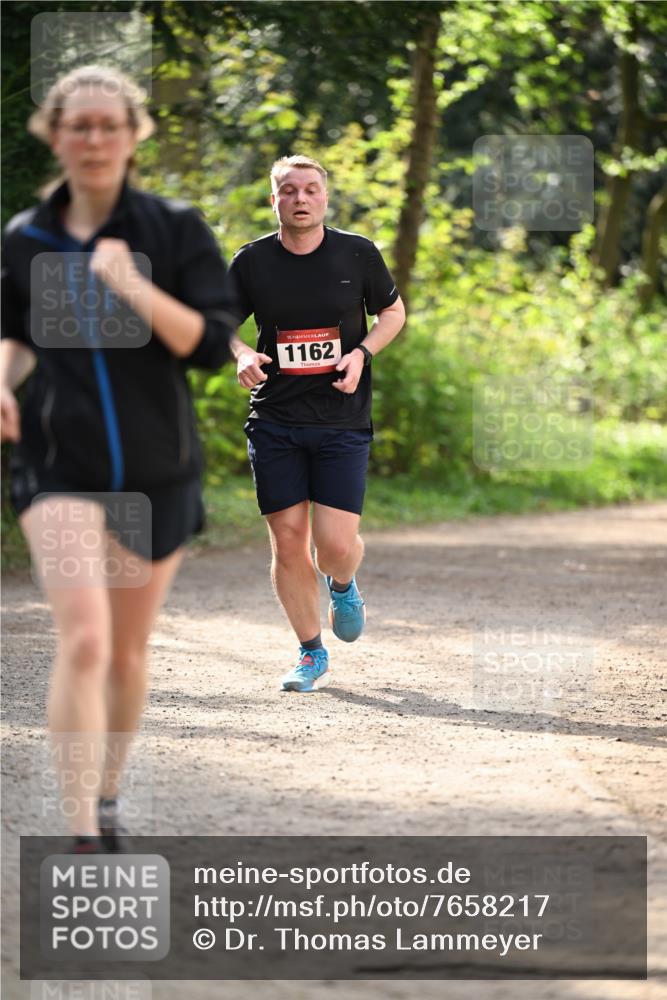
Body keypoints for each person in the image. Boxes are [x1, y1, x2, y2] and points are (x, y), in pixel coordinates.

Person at [0, 66, 234, 852]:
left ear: (135, 135)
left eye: (109, 125)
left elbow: (207, 345)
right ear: (55, 135)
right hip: (57, 465)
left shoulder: (173, 229)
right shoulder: (24, 237)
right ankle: (78, 832)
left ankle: (105, 794)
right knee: (87, 639)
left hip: (155, 468)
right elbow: (17, 336)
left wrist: (132, 286)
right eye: (79, 125)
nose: (94, 139)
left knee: (128, 652)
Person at [228, 155, 405, 693]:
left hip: (341, 421)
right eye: (288, 190)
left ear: (325, 199)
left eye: (310, 190)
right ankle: (310, 653)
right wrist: (239, 352)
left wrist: (362, 354)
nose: (300, 199)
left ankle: (344, 581)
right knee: (287, 540)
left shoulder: (358, 253)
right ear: (274, 199)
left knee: (332, 545)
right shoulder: (252, 261)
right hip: (275, 418)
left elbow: (393, 313)